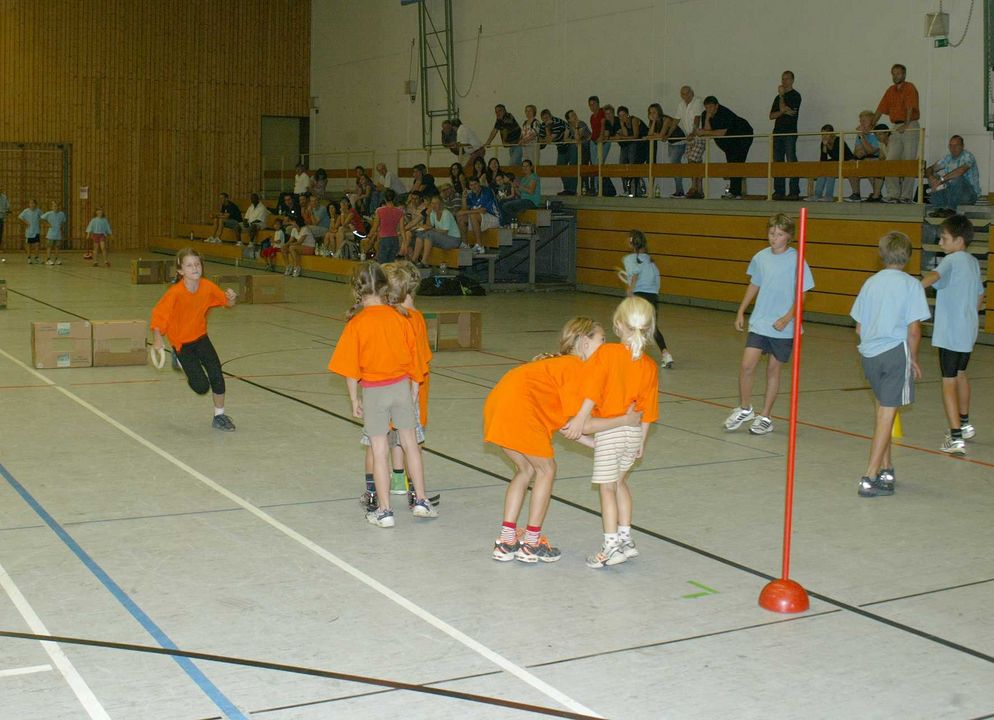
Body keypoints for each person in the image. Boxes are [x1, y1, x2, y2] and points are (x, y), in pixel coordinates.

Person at [486, 317, 644, 563]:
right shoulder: (577, 368)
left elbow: (567, 424)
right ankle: (531, 543)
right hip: (520, 411)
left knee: (525, 469)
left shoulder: (560, 364)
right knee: (546, 470)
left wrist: (595, 444)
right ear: (584, 342)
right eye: (601, 340)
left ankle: (506, 542)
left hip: (499, 405)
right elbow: (583, 424)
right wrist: (625, 421)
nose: (605, 346)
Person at [327, 261, 436, 527]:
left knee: (379, 451)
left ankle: (385, 511)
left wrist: (354, 400)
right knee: (411, 444)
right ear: (385, 287)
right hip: (401, 387)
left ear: (357, 290)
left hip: (374, 391)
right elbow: (415, 358)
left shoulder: (356, 323)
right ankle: (421, 500)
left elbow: (350, 369)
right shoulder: (400, 316)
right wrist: (412, 389)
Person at [562, 298, 659, 568]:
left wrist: (581, 417)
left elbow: (593, 389)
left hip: (612, 430)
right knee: (620, 484)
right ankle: (627, 540)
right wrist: (643, 439)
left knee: (606, 489)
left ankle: (611, 545)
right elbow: (649, 407)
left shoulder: (608, 353)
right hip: (633, 431)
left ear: (618, 325)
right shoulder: (650, 365)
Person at [849, 232, 930, 497]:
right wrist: (913, 358)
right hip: (895, 352)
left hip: (869, 355)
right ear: (908, 257)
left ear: (881, 254)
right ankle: (869, 476)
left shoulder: (870, 283)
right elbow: (914, 330)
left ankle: (886, 468)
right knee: (887, 412)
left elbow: (859, 327)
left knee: (883, 409)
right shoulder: (911, 285)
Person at [724, 214, 815, 435]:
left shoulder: (797, 260)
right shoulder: (760, 257)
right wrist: (741, 310)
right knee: (747, 366)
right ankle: (745, 408)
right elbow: (755, 284)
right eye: (771, 233)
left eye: (779, 234)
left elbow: (802, 295)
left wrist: (787, 318)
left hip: (784, 325)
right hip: (761, 321)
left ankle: (765, 416)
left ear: (789, 237)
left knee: (773, 370)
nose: (774, 238)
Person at [151, 248, 238, 431]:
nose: (195, 268)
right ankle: (179, 359)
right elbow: (158, 318)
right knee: (201, 387)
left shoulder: (207, 287)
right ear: (181, 271)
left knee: (217, 374)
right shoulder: (175, 293)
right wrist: (158, 339)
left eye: (197, 264)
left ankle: (219, 416)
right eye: (189, 265)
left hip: (201, 337)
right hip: (182, 344)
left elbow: (226, 303)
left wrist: (231, 298)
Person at [921, 215, 985, 454]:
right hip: (968, 330)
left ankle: (955, 437)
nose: (940, 242)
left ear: (958, 240)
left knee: (948, 381)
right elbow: (980, 295)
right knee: (960, 374)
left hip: (951, 332)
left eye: (944, 238)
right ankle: (965, 423)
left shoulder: (951, 260)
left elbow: (933, 278)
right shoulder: (972, 262)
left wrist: (910, 288)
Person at [379, 261, 433, 496]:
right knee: (410, 439)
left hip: (388, 384)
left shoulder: (389, 316)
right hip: (412, 384)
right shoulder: (415, 318)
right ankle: (414, 489)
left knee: (391, 433)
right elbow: (421, 358)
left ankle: (398, 477)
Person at [622, 230, 674, 368]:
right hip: (652, 296)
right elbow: (657, 280)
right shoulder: (651, 261)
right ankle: (666, 354)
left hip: (639, 295)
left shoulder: (629, 259)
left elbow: (635, 274)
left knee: (632, 326)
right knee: (652, 327)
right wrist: (654, 293)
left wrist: (630, 290)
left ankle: (633, 354)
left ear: (631, 242)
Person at [871, 64, 920, 203]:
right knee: (890, 160)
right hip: (896, 126)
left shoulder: (910, 87)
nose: (895, 76)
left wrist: (906, 124)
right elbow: (880, 109)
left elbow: (910, 106)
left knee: (909, 161)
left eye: (898, 73)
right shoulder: (890, 90)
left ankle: (906, 196)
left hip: (909, 125)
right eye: (893, 74)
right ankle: (893, 193)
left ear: (904, 74)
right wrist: (871, 125)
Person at [697, 96, 754, 199]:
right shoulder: (705, 114)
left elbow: (722, 132)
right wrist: (707, 118)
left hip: (742, 135)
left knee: (737, 162)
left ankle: (736, 192)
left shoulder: (724, 113)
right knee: (731, 162)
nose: (708, 110)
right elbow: (707, 131)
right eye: (706, 107)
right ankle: (734, 192)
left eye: (711, 107)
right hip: (729, 142)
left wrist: (705, 132)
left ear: (717, 106)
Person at [925, 135, 980, 217]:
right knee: (933, 177)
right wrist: (931, 177)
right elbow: (930, 169)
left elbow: (960, 171)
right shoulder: (947, 158)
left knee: (957, 178)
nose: (953, 148)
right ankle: (939, 208)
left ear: (962, 146)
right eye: (951, 145)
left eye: (956, 145)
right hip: (951, 194)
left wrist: (941, 180)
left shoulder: (968, 156)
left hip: (968, 195)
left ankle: (952, 209)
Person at [770, 71, 802, 200]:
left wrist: (782, 98)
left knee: (791, 160)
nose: (784, 81)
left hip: (789, 133)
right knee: (778, 162)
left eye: (787, 79)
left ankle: (794, 191)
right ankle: (779, 191)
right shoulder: (777, 98)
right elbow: (772, 115)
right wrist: (783, 111)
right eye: (782, 79)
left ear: (792, 80)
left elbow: (791, 112)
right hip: (777, 132)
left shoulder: (795, 95)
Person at [646, 102, 684, 198]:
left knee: (674, 164)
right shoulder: (653, 122)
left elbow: (661, 134)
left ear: (659, 112)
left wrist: (655, 135)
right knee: (674, 166)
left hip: (679, 141)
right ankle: (679, 190)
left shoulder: (666, 119)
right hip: (671, 143)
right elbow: (649, 135)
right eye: (650, 113)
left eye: (654, 112)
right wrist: (653, 122)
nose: (652, 114)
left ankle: (680, 191)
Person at [412, 194, 461, 267]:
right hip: (442, 238)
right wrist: (428, 215)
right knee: (421, 234)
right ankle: (414, 260)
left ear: (441, 204)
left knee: (430, 233)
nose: (434, 205)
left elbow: (445, 231)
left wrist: (430, 229)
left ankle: (424, 261)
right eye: (432, 203)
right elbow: (429, 225)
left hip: (453, 240)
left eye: (436, 203)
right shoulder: (433, 213)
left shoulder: (446, 213)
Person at [811, 125, 854, 201]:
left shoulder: (838, 140)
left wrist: (827, 145)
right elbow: (823, 160)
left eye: (826, 134)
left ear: (832, 134)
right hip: (835, 163)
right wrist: (824, 146)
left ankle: (828, 196)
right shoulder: (823, 143)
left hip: (847, 162)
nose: (824, 136)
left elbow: (838, 156)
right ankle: (817, 195)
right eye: (822, 134)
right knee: (823, 170)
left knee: (830, 171)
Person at [848, 111, 884, 202]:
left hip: (877, 159)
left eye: (864, 121)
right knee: (851, 164)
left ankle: (877, 194)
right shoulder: (860, 134)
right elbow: (857, 151)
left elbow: (871, 151)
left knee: (869, 163)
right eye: (860, 121)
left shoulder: (877, 133)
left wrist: (862, 137)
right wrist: (861, 150)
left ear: (872, 121)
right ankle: (856, 193)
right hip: (865, 158)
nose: (861, 123)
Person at [677, 86, 706, 198]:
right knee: (694, 162)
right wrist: (668, 134)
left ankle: (694, 186)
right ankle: (699, 189)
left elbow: (697, 118)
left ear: (691, 93)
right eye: (683, 94)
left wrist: (694, 132)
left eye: (687, 93)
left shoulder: (697, 101)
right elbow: (676, 119)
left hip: (698, 135)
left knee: (692, 160)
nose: (685, 96)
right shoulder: (681, 105)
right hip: (689, 136)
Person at [458, 176, 499, 253]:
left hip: (493, 217)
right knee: (461, 217)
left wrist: (464, 212)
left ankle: (479, 246)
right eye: (471, 185)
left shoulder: (487, 191)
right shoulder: (471, 194)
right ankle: (465, 244)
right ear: (469, 186)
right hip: (480, 218)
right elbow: (464, 210)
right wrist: (463, 198)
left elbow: (482, 210)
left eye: (475, 184)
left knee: (472, 215)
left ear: (479, 183)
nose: (474, 187)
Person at [540, 109, 575, 196]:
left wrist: (547, 130)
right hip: (560, 146)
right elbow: (540, 140)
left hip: (571, 145)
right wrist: (547, 135)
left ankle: (572, 190)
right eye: (543, 119)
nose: (546, 120)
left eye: (547, 117)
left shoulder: (557, 122)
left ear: (550, 116)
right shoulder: (543, 125)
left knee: (572, 167)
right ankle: (568, 189)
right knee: (559, 167)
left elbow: (549, 139)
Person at [617, 106, 649, 197]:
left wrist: (622, 137)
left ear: (627, 114)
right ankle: (627, 189)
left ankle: (636, 190)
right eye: (620, 116)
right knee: (622, 165)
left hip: (642, 145)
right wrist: (622, 126)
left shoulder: (634, 120)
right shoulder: (623, 123)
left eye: (624, 115)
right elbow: (626, 135)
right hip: (631, 144)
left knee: (633, 166)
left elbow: (635, 136)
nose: (622, 117)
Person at [367, 189, 404, 264]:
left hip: (384, 239)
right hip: (395, 239)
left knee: (382, 263)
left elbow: (375, 227)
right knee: (391, 263)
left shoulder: (379, 211)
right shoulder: (400, 212)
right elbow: (402, 229)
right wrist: (405, 242)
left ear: (384, 198)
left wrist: (369, 236)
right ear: (394, 198)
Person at [565, 109, 595, 195]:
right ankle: (583, 188)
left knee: (589, 168)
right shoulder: (569, 126)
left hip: (588, 147)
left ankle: (591, 188)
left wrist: (576, 127)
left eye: (575, 114)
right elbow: (565, 138)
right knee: (582, 168)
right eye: (572, 116)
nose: (575, 116)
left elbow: (578, 137)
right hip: (581, 149)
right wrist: (573, 140)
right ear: (569, 120)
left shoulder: (581, 124)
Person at [41, 201, 67, 265]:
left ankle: (56, 259)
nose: (56, 207)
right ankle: (48, 259)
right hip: (51, 234)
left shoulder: (62, 214)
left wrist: (61, 226)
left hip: (58, 234)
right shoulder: (48, 213)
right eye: (54, 206)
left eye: (57, 206)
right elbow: (41, 219)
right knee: (49, 246)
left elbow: (63, 221)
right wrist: (47, 224)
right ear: (52, 207)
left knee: (57, 247)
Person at [18, 199, 42, 264]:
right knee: (28, 245)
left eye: (33, 203)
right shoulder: (26, 211)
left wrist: (39, 223)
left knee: (37, 244)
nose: (32, 204)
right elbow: (20, 217)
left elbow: (42, 217)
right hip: (29, 231)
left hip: (36, 230)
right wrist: (26, 223)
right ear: (29, 204)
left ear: (35, 204)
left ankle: (36, 258)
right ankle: (29, 258)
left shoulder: (38, 211)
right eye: (30, 203)